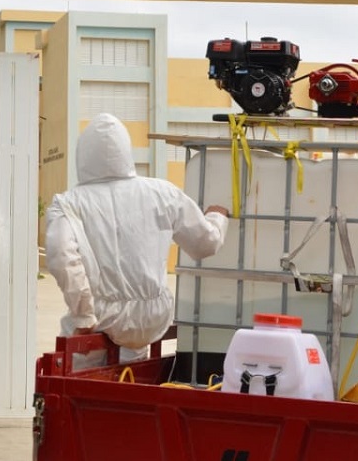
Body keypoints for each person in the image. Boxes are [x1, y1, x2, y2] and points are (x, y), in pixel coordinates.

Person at [45, 113, 230, 363]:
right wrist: (217, 217)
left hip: (101, 318)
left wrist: (83, 317)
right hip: (152, 317)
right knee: (132, 371)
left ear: (83, 155)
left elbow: (62, 259)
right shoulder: (162, 192)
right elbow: (204, 244)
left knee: (80, 373)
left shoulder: (68, 203)